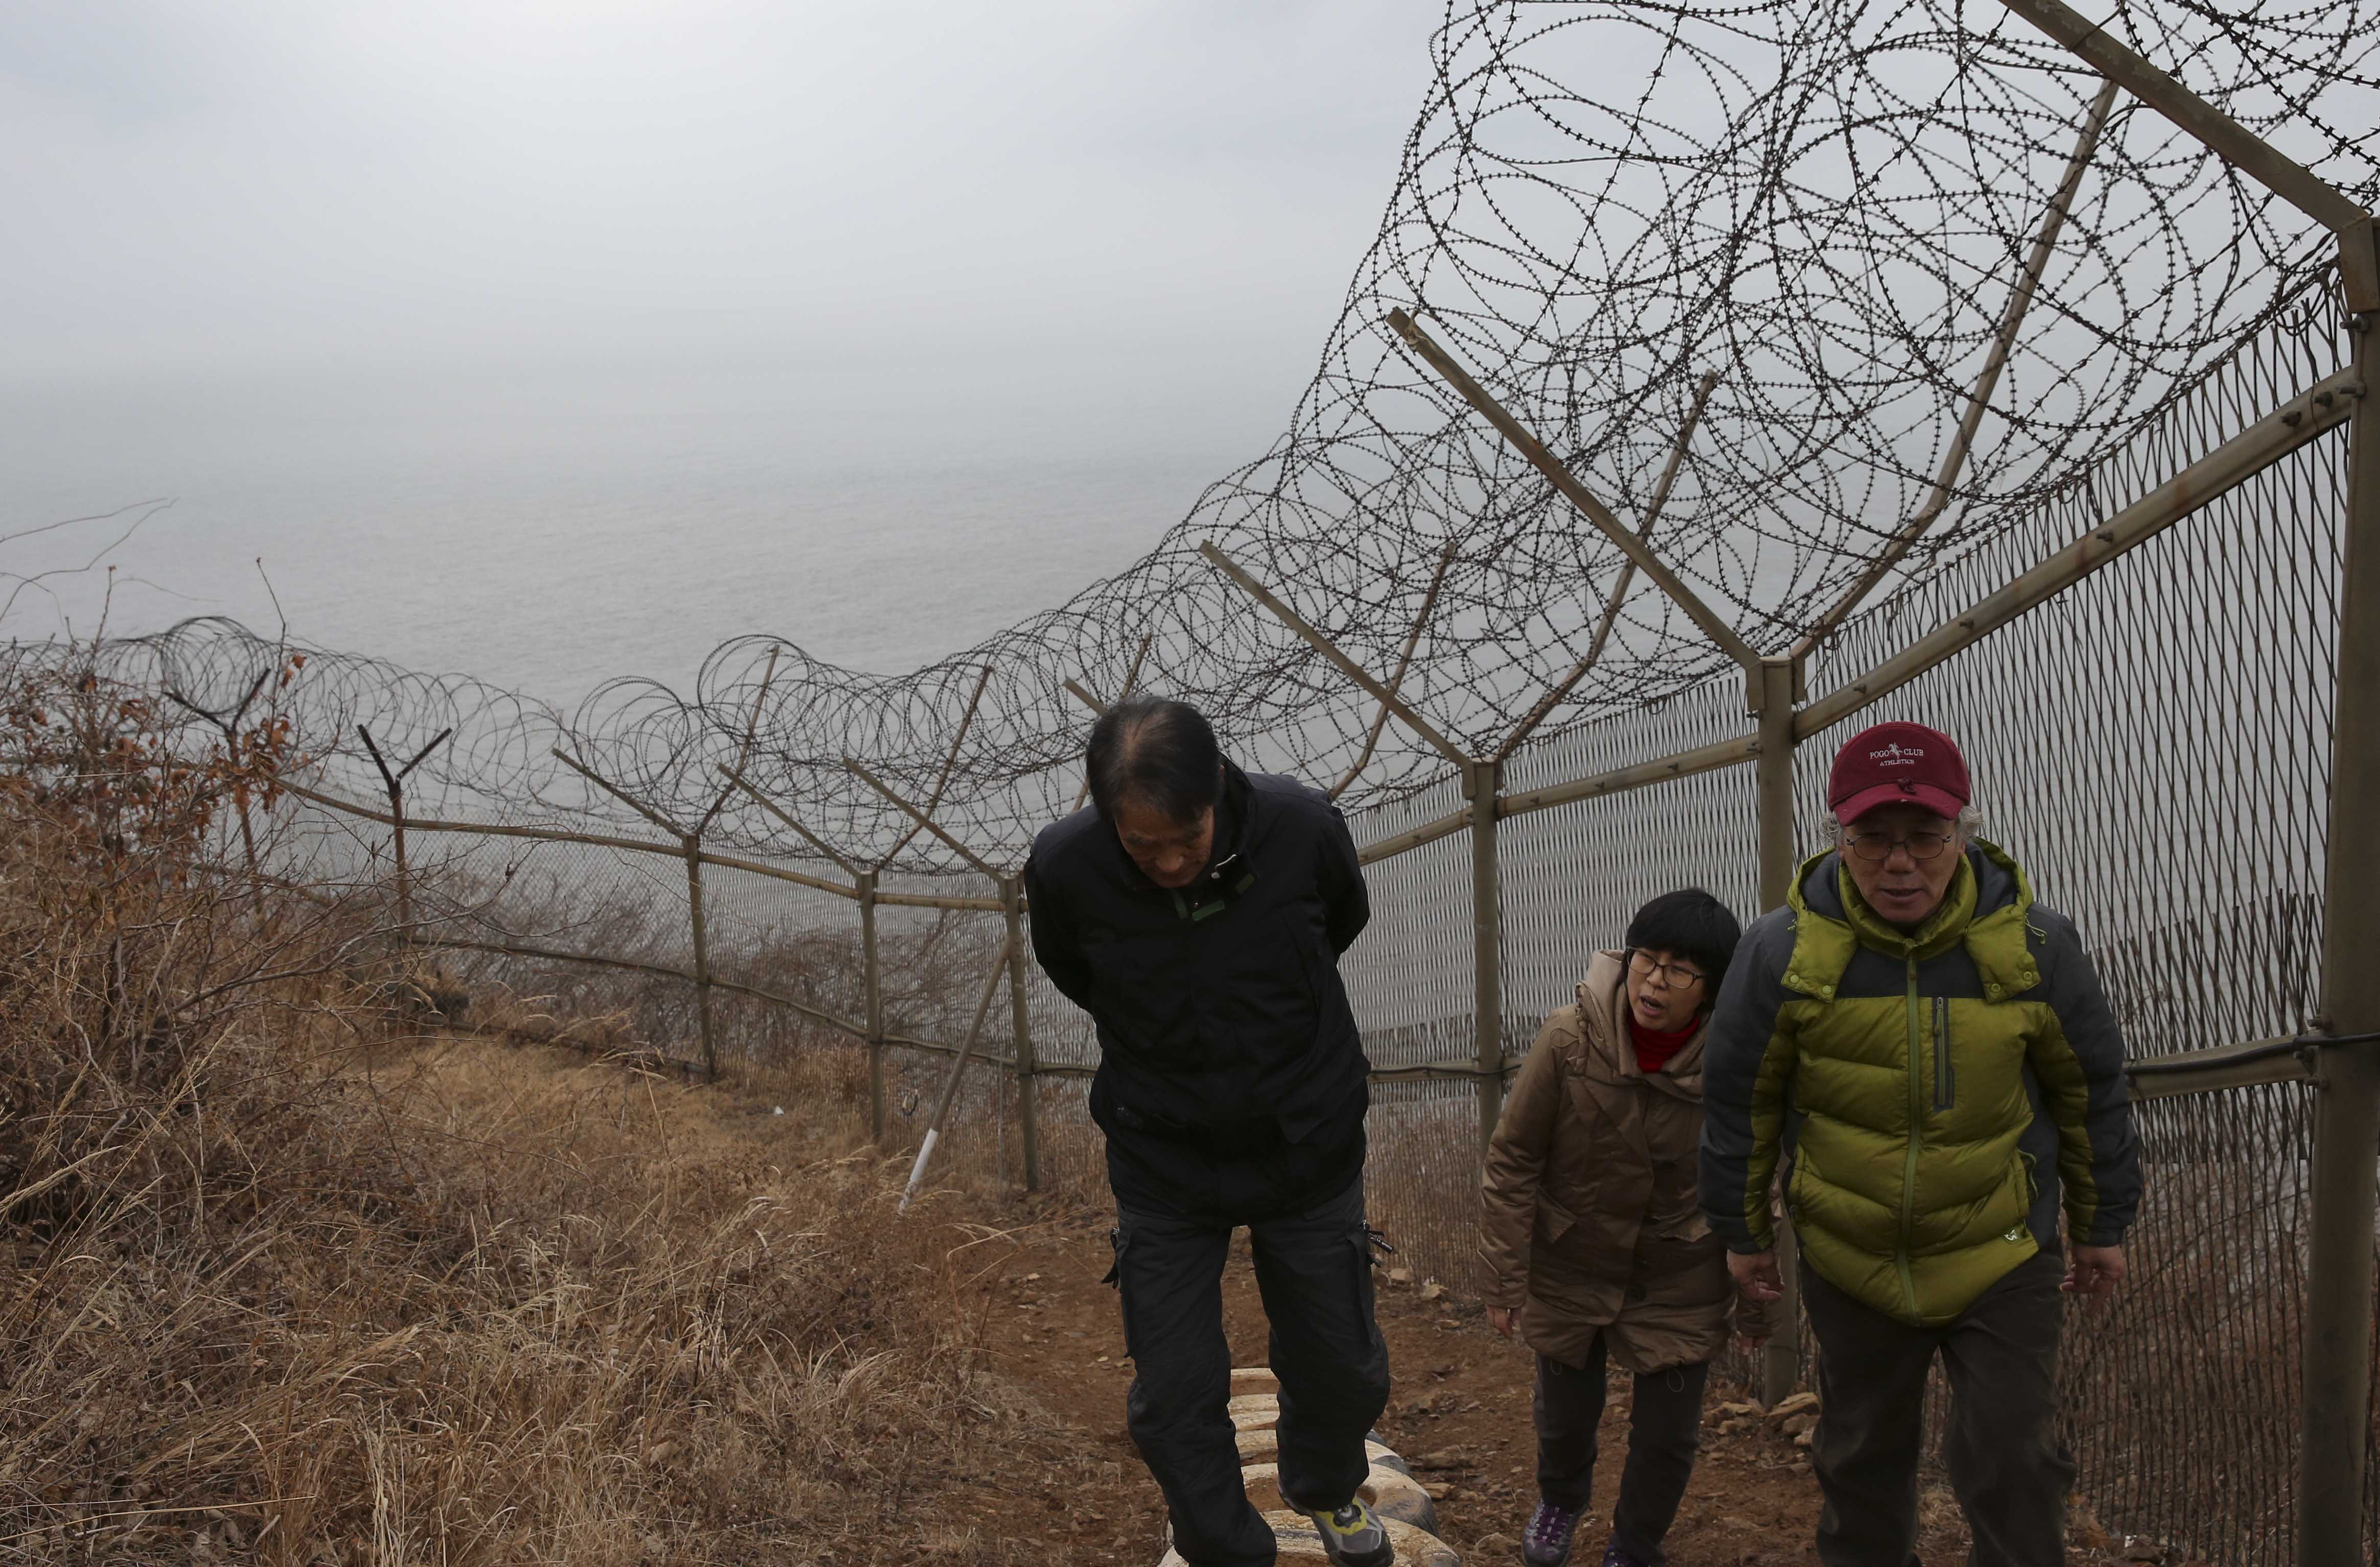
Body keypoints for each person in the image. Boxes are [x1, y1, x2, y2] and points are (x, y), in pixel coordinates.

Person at [1699, 720, 2141, 1566]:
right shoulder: (1779, 951)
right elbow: (1738, 1105)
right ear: (1840, 838)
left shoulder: (2036, 947)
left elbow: (2089, 1093)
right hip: (1849, 1246)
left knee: (2010, 1457)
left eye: (1924, 837)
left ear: (1959, 833)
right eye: (1873, 838)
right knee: (1861, 1461)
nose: (1899, 862)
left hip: (2003, 1242)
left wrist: (2100, 1222)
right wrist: (1742, 1234)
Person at [1023, 695, 1391, 1567]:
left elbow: (1341, 918)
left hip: (1305, 1138)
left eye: (1185, 836)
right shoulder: (1065, 867)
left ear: (1217, 790)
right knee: (1174, 1390)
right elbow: (1070, 967)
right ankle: (1229, 1550)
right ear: (1103, 813)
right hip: (1164, 1154)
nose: (1170, 861)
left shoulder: (1301, 828)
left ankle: (1324, 1487)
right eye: (1141, 845)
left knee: (1341, 1365)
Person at [1480, 889, 1754, 1567]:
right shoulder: (1568, 1039)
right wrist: (1504, 1277)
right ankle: (1561, 1501)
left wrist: (1754, 1303)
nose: (1655, 980)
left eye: (1680, 970)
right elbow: (1514, 1157)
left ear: (1712, 989)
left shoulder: (1735, 1064)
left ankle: (1634, 1545)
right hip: (1572, 1257)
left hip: (1678, 1270)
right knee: (1565, 1417)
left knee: (1667, 1436)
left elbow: (1754, 1181)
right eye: (1647, 959)